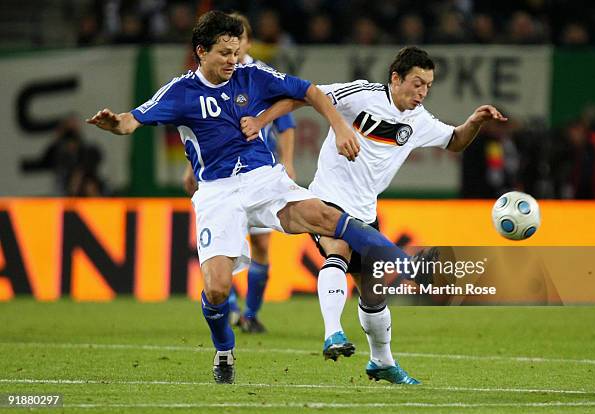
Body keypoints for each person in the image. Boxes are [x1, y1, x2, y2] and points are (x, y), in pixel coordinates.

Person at [87, 11, 423, 384]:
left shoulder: (252, 75)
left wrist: (340, 124)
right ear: (201, 52)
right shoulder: (180, 92)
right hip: (217, 193)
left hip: (265, 180)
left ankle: (405, 262)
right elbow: (131, 121)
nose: (234, 61)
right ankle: (224, 350)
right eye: (225, 54)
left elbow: (309, 91)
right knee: (216, 289)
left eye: (236, 52)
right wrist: (114, 123)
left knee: (327, 217)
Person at [241, 46, 507, 384]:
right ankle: (333, 332)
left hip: (366, 210)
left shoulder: (419, 119)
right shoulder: (361, 94)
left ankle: (381, 362)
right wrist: (262, 121)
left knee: (373, 291)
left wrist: (474, 122)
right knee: (337, 251)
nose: (422, 92)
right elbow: (304, 97)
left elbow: (454, 141)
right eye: (417, 83)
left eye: (428, 85)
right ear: (395, 79)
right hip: (327, 199)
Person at [182, 12, 297, 334]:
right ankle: (229, 305)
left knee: (261, 247)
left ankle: (251, 313)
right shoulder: (207, 77)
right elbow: (199, 129)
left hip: (259, 175)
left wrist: (287, 162)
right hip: (220, 179)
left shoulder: (259, 75)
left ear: (247, 41)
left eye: (242, 39)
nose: (237, 46)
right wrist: (190, 166)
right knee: (224, 248)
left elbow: (286, 123)